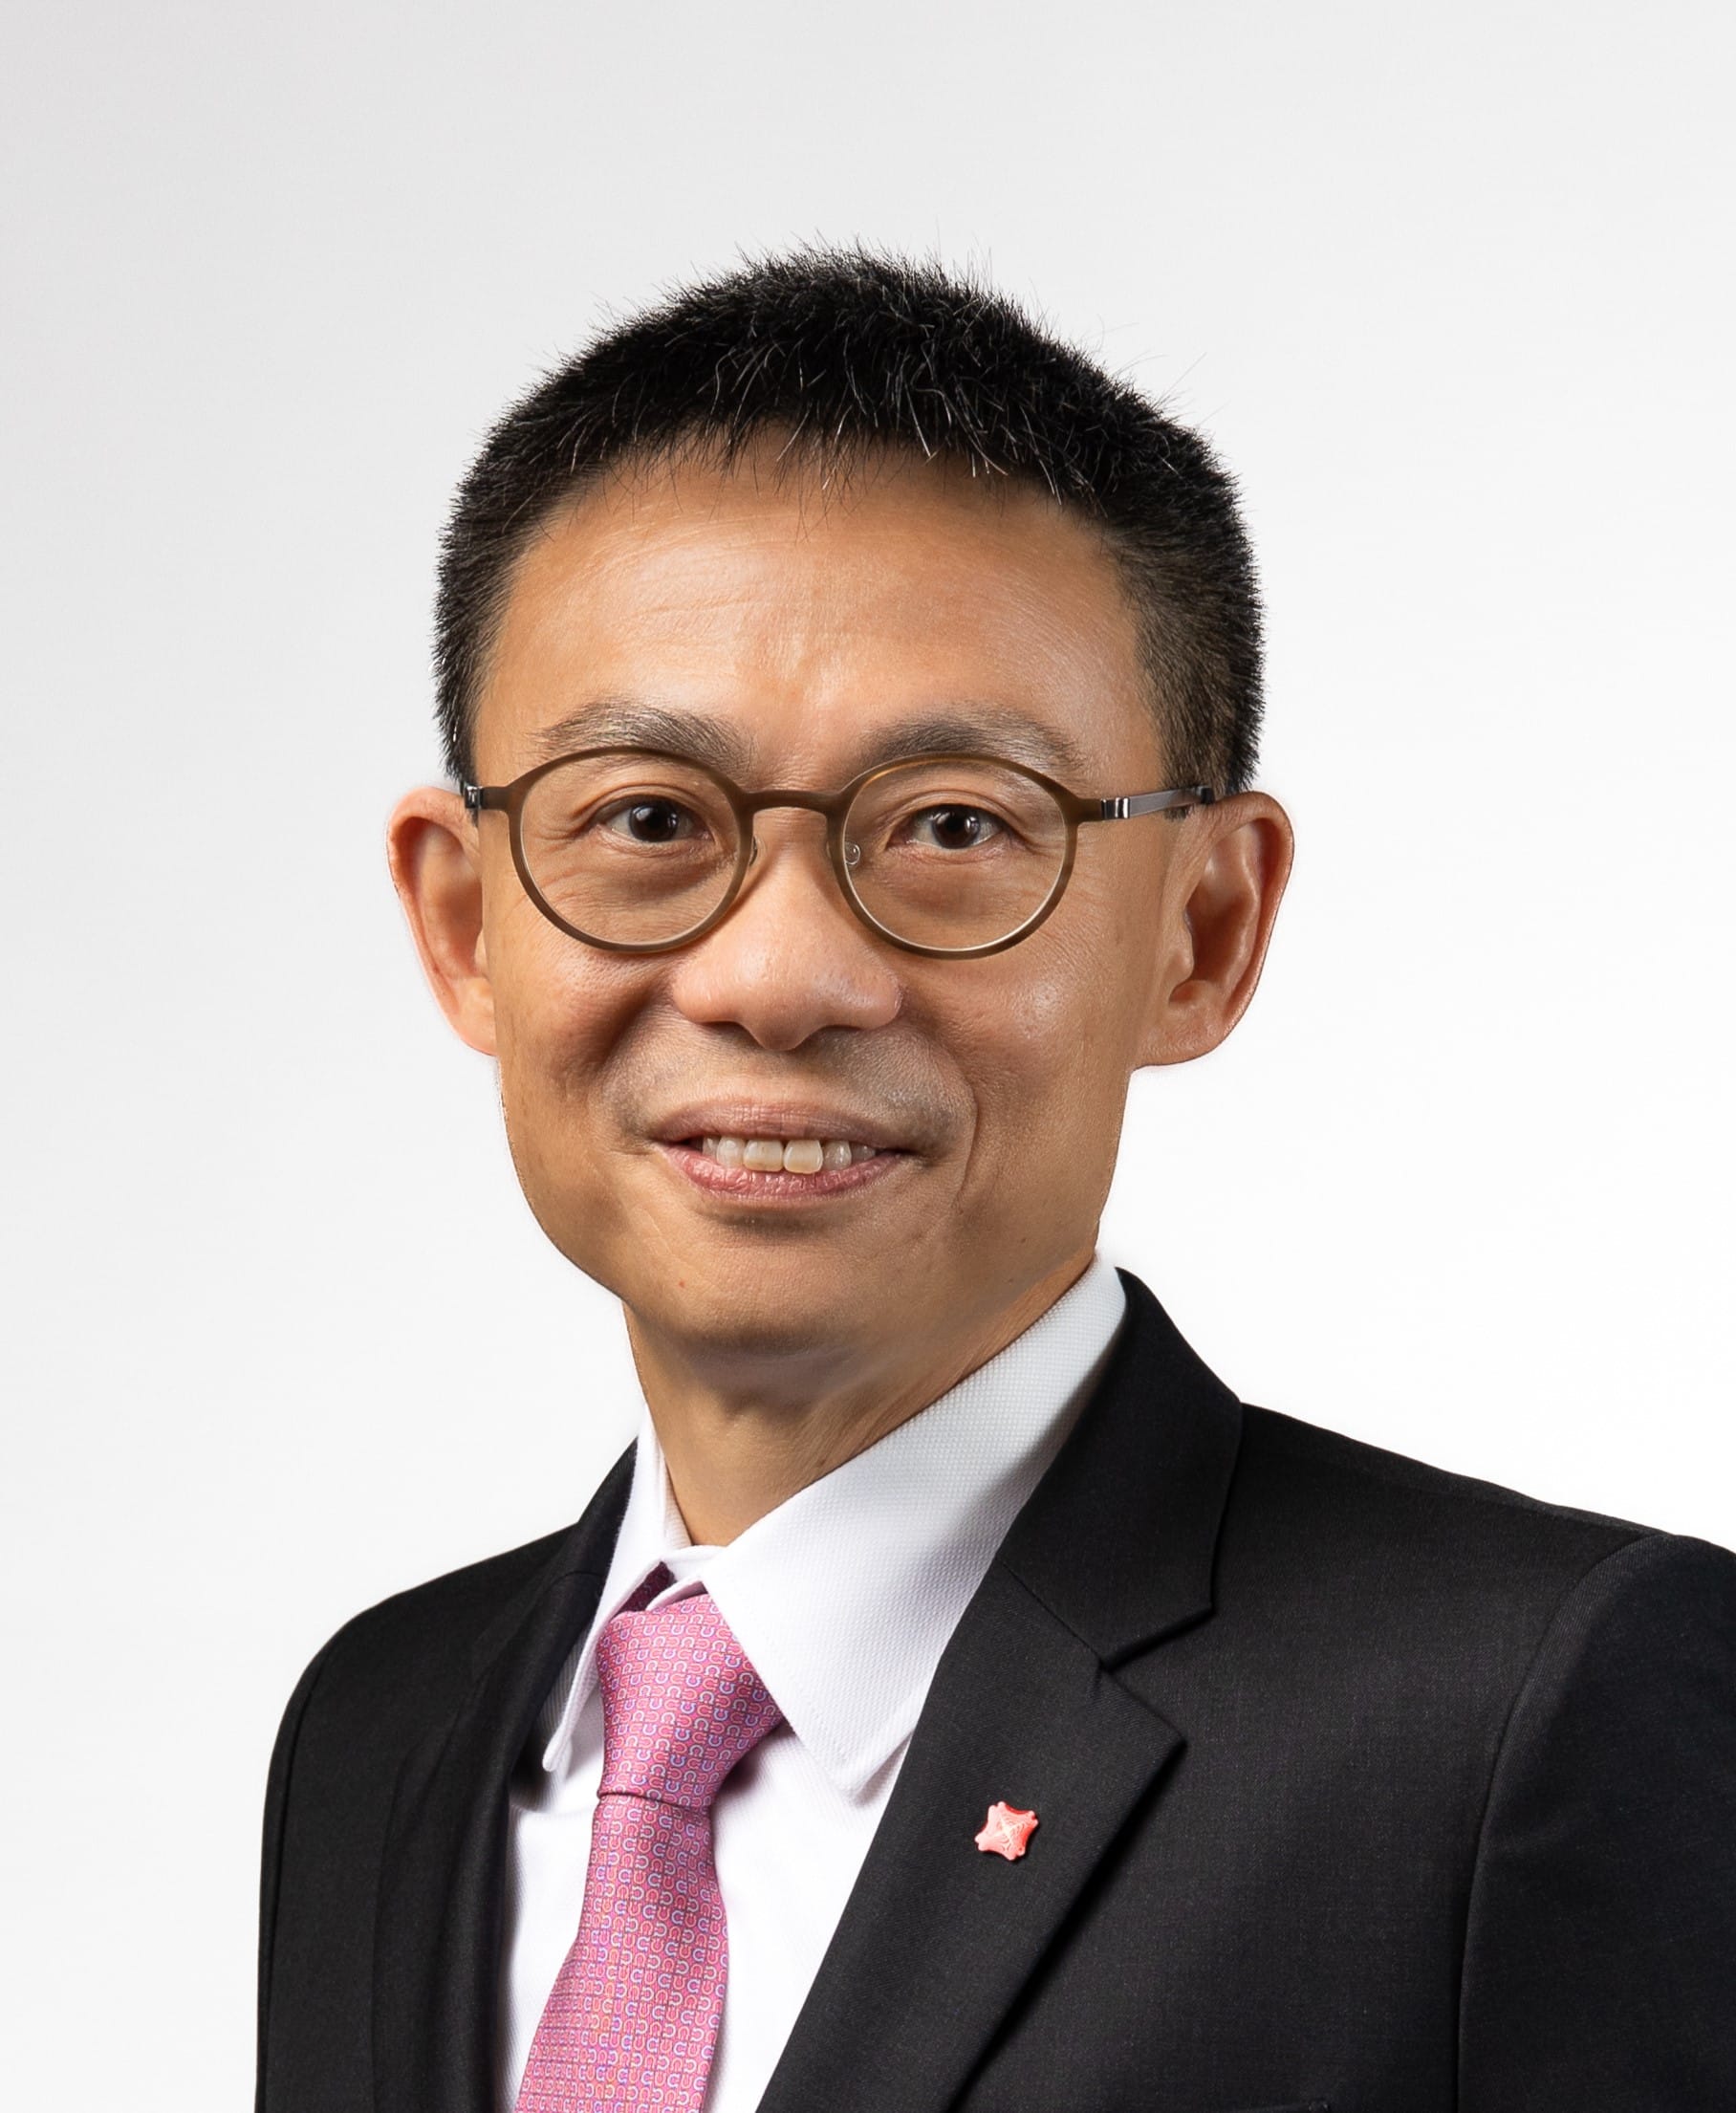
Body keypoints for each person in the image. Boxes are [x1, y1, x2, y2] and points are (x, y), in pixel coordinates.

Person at [256, 249, 1736, 2113]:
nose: (779, 975)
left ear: (1203, 928)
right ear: (465, 922)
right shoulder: (382, 1727)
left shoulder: (1523, 1714)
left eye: (953, 826)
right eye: (647, 818)